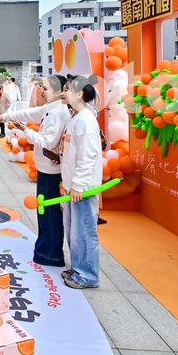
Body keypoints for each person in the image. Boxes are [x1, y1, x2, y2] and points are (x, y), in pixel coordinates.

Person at [0, 75, 70, 267]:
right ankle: (45, 250)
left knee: (50, 213)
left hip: (52, 171)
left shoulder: (59, 113)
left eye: (45, 88)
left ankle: (52, 254)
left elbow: (47, 142)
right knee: (44, 212)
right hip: (45, 169)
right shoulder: (50, 109)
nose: (41, 91)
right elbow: (29, 113)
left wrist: (25, 131)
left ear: (58, 92)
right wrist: (5, 117)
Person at [59, 75, 103, 289]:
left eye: (67, 89)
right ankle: (78, 268)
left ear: (79, 94)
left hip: (82, 189)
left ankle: (87, 275)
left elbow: (88, 155)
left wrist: (78, 184)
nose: (63, 92)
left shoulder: (86, 120)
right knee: (74, 233)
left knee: (84, 232)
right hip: (72, 188)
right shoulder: (74, 118)